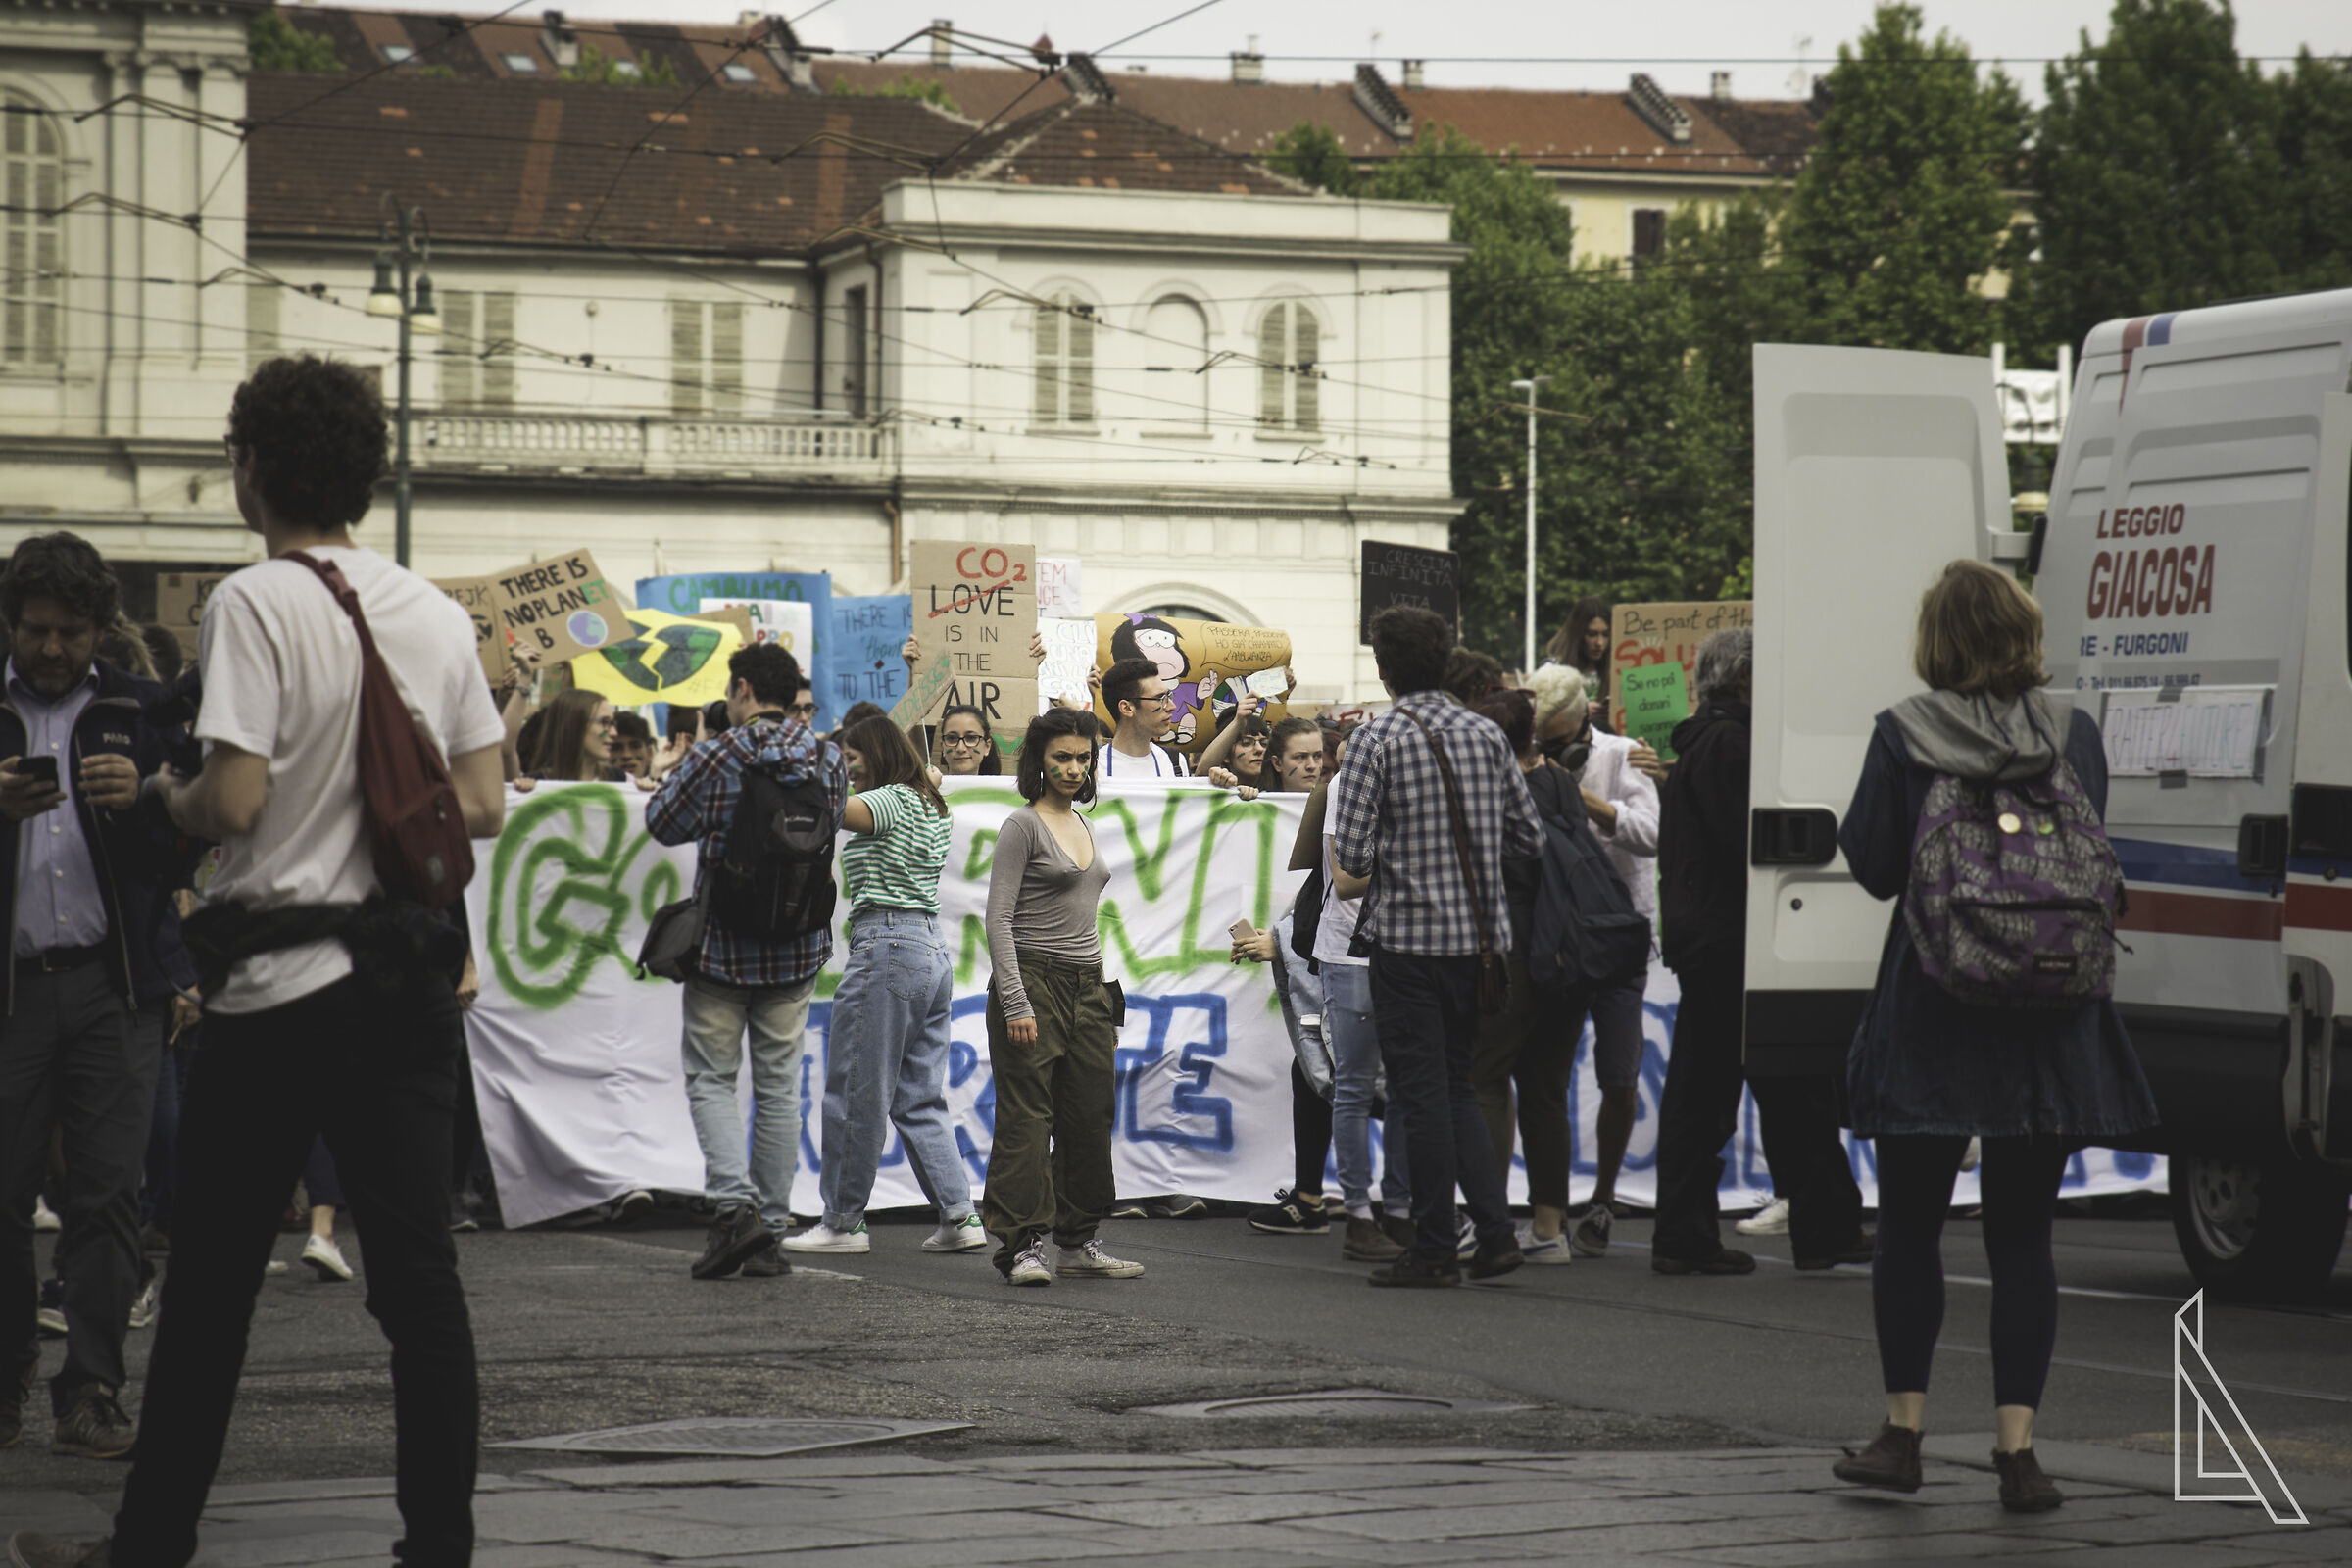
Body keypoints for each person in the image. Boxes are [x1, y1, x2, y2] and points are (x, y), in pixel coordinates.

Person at [18, 356, 510, 1568]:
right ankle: (438, 1545)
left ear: (249, 469)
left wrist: (171, 794)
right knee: (420, 1287)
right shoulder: (436, 613)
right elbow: (485, 800)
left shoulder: (254, 603)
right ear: (364, 470)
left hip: (278, 990)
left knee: (214, 1291)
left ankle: (151, 1544)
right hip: (400, 991)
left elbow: (233, 799)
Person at [1830, 561, 2156, 1511]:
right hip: (2052, 1011)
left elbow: (1879, 866)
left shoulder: (1906, 732)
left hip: (1936, 1005)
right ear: (2023, 632)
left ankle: (1902, 1434)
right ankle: (2019, 1453)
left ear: (1938, 641)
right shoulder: (2074, 732)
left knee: (1911, 1229)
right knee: (2023, 1237)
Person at [0, 533, 187, 1463]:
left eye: (70, 633)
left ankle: (93, 1387)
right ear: (13, 622)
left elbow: (195, 846)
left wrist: (148, 797)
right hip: (11, 996)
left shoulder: (138, 708)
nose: (51, 650)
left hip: (113, 988)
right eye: (37, 631)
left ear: (98, 629)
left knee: (108, 1199)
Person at [1329, 606, 1542, 1287]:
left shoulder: (1375, 739)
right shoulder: (1486, 733)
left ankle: (1433, 1249)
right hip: (1482, 949)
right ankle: (1497, 1232)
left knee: (1421, 1095)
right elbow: (1529, 841)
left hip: (1409, 946)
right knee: (1457, 1086)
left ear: (1385, 670)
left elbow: (1354, 864)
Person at [1650, 627, 1869, 1277]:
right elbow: (1748, 842)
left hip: (1714, 938)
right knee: (1772, 1088)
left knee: (1742, 1089)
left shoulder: (1707, 742)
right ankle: (1815, 1225)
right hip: (1737, 940)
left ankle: (1805, 1223)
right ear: (1745, 680)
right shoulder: (1734, 746)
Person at [645, 641, 847, 1282]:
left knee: (711, 1077)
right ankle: (770, 1228)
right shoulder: (829, 756)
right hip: (797, 945)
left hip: (724, 946)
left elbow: (663, 824)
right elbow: (833, 821)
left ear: (740, 690)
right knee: (780, 1086)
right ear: (791, 695)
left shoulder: (717, 753)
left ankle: (734, 1214)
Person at [786, 716, 981, 1256]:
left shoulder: (890, 799)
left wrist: (799, 763)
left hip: (887, 949)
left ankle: (843, 1223)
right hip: (929, 951)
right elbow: (927, 777)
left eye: (851, 755)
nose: (846, 765)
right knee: (918, 1096)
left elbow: (829, 809)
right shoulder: (928, 799)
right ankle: (959, 1216)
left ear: (874, 753)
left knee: (855, 1092)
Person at [979, 709, 1142, 1285]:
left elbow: (1083, 917)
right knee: (1028, 1116)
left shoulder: (1083, 822)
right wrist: (1018, 1002)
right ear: (1039, 762)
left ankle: (1077, 1242)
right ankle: (1021, 1247)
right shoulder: (1022, 826)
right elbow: (997, 920)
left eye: (1082, 757)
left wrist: (1100, 999)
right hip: (1034, 980)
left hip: (1087, 984)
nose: (1074, 768)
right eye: (1062, 758)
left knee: (1088, 1114)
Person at [1526, 663, 1660, 1259]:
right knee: (1546, 1075)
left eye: (1558, 739)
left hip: (1619, 936)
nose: (1551, 749)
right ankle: (1547, 1213)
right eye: (1542, 740)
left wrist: (1584, 802)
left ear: (1583, 722)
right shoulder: (1525, 760)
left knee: (1619, 1074)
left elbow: (1651, 834)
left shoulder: (1627, 755)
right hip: (1558, 937)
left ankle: (1604, 1197)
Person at [1463, 687, 1576, 1265]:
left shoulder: (1499, 796)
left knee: (1486, 1080)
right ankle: (1550, 1229)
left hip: (1511, 954)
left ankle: (1493, 1219)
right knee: (1546, 1090)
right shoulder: (1559, 782)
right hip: (1567, 956)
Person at [1097, 658, 1191, 778]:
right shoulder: (1096, 767)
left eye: (1169, 696)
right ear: (1127, 708)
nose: (1172, 706)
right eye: (1159, 698)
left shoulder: (1174, 763)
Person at [1544, 595, 1613, 730]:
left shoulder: (1616, 670)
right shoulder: (1552, 670)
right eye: (1592, 635)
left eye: (1605, 635)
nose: (1600, 643)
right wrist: (1579, 711)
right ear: (1577, 635)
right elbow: (1542, 716)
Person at [523, 688, 617, 782]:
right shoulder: (537, 783)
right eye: (604, 722)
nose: (614, 733)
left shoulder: (619, 779)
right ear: (575, 725)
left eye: (612, 723)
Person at [931, 704, 1002, 778]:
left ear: (987, 746)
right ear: (942, 746)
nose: (961, 748)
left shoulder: (1004, 789)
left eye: (971, 738)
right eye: (952, 738)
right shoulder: (925, 789)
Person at [609, 710, 654, 778]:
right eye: (616, 748)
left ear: (649, 753)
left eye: (635, 746)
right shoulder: (590, 788)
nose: (627, 755)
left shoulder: (663, 787)